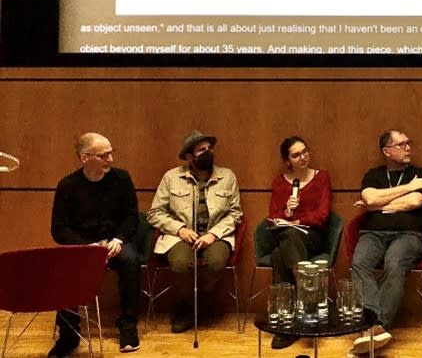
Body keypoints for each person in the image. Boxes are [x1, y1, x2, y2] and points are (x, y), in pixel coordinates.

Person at [50, 132, 142, 356]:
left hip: (115, 241)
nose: (110, 159)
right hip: (83, 246)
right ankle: (69, 334)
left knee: (131, 260)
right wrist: (89, 246)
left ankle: (128, 326)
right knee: (64, 269)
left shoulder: (122, 179)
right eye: (103, 155)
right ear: (84, 158)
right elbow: (59, 229)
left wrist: (119, 239)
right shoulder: (67, 185)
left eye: (111, 153)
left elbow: (131, 217)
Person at [147, 130, 243, 333]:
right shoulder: (171, 177)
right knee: (181, 264)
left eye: (209, 149)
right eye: (201, 150)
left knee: (216, 262)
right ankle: (192, 308)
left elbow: (235, 214)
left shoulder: (227, 176)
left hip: (216, 235)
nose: (208, 152)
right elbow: (155, 213)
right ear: (189, 157)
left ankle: (192, 307)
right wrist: (180, 230)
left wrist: (213, 234)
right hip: (179, 236)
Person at [348, 130, 422, 355]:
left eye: (408, 143)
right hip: (372, 234)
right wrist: (407, 187)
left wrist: (377, 207)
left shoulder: (421, 173)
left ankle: (375, 325)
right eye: (401, 144)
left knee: (394, 263)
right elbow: (370, 197)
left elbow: (416, 201)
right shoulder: (373, 175)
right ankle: (374, 326)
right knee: (360, 262)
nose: (408, 148)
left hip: (408, 234)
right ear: (386, 151)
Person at [265, 136, 332, 349]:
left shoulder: (322, 178)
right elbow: (273, 215)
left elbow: (323, 215)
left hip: (313, 236)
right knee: (288, 239)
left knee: (280, 254)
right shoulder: (279, 182)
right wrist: (286, 211)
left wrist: (296, 221)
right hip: (287, 234)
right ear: (287, 160)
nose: (303, 157)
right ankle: (308, 306)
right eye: (296, 155)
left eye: (305, 152)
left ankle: (284, 322)